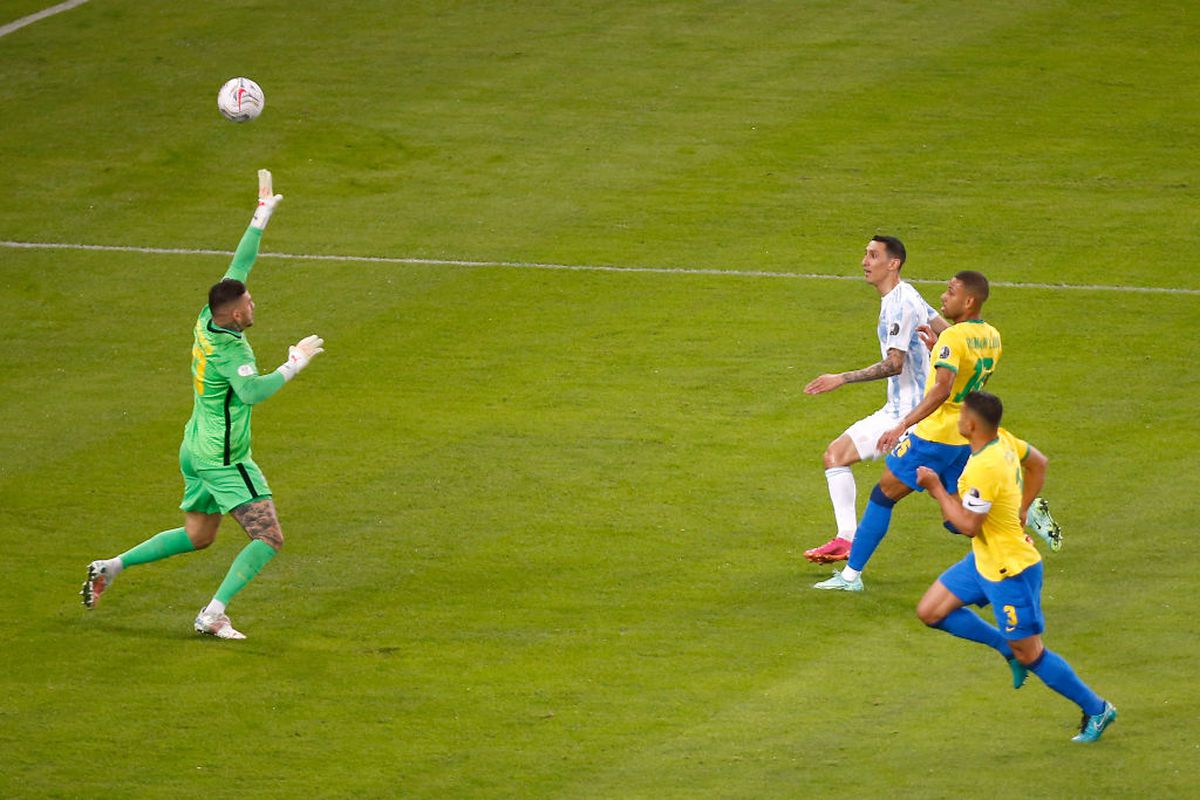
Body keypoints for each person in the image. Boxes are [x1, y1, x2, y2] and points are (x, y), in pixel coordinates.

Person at [80, 170, 324, 640]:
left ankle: (112, 566)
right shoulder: (232, 351)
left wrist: (260, 217)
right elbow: (253, 392)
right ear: (235, 315)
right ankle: (213, 613)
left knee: (199, 535)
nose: (253, 302)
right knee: (269, 537)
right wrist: (294, 362)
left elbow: (240, 265)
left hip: (195, 443)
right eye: (249, 302)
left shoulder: (206, 318)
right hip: (224, 456)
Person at [913, 391, 1116, 743]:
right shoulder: (1003, 440)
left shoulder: (983, 466)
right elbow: (1039, 462)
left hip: (1011, 570)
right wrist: (1021, 511)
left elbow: (967, 525)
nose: (958, 419)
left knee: (1032, 652)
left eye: (961, 415)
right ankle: (1006, 648)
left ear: (972, 424)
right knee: (931, 612)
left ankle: (1097, 709)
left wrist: (936, 490)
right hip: (983, 560)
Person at [814, 270, 1000, 591]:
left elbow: (942, 389)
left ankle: (850, 577)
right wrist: (935, 349)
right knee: (955, 515)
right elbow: (966, 380)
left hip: (934, 435)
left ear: (968, 301)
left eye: (951, 291)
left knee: (883, 495)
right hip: (963, 436)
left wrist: (903, 423)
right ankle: (1008, 526)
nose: (943, 296)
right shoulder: (992, 336)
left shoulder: (953, 339)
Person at [802, 236, 947, 563]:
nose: (864, 262)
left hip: (909, 416)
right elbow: (948, 331)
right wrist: (940, 346)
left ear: (892, 263)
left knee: (949, 493)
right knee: (835, 455)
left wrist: (841, 378)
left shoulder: (900, 303)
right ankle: (845, 540)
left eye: (873, 255)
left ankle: (1016, 510)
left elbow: (894, 365)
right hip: (905, 410)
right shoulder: (908, 293)